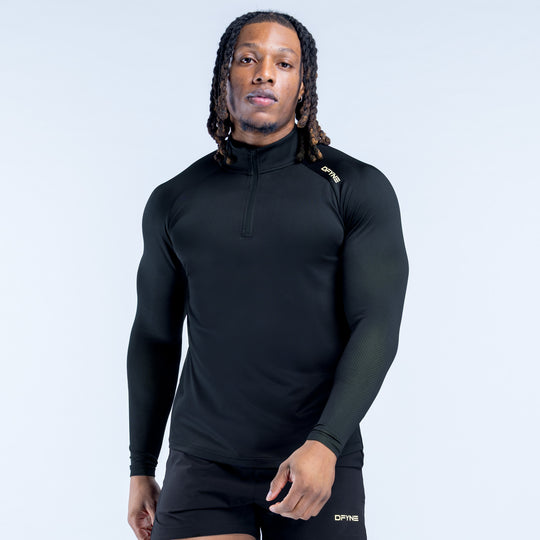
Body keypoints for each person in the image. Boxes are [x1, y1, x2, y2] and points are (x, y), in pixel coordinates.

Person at [126, 9, 409, 540]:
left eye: (284, 62)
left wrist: (326, 443)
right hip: (202, 463)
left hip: (314, 457)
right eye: (248, 59)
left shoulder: (354, 188)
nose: (264, 73)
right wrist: (141, 465)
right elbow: (154, 337)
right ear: (224, 77)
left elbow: (376, 327)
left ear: (303, 84)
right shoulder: (175, 199)